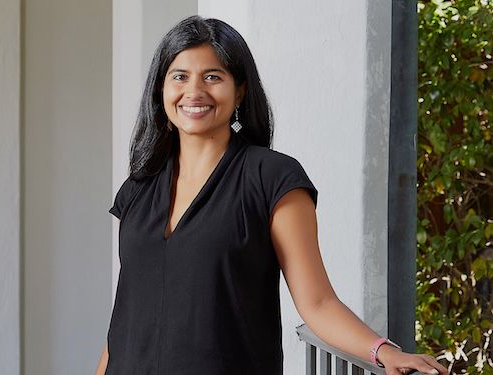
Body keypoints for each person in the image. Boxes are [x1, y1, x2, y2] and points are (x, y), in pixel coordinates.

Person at [95, 15, 447, 375]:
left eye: (213, 76)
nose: (194, 91)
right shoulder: (138, 187)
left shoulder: (273, 179)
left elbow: (318, 302)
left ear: (240, 91)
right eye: (179, 76)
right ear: (161, 89)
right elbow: (126, 313)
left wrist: (384, 352)